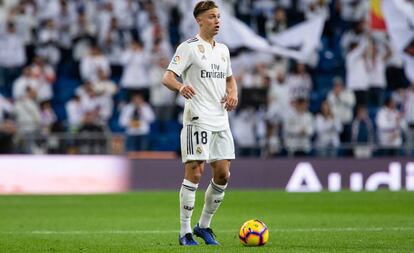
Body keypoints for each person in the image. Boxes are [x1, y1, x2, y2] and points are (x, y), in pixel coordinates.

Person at [162, 1, 238, 246]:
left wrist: (233, 93)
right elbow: (167, 77)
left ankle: (203, 226)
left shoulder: (223, 50)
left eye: (218, 16)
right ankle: (184, 232)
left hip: (220, 120)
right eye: (212, 17)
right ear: (199, 20)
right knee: (195, 172)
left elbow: (230, 79)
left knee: (223, 175)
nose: (217, 21)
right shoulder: (189, 48)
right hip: (197, 118)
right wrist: (181, 86)